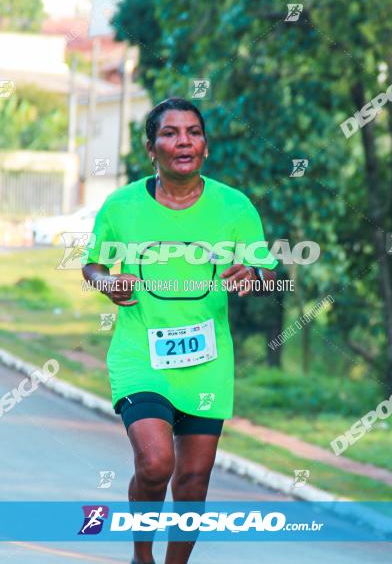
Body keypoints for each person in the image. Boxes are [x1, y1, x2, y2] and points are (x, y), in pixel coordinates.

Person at [81, 97, 277, 564]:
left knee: (192, 481)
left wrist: (254, 273)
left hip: (207, 364)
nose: (182, 141)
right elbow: (92, 265)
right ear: (151, 148)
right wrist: (107, 281)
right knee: (155, 464)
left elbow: (269, 270)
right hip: (140, 355)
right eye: (169, 133)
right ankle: (142, 556)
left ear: (205, 146)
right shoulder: (122, 206)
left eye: (192, 131)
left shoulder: (234, 207)